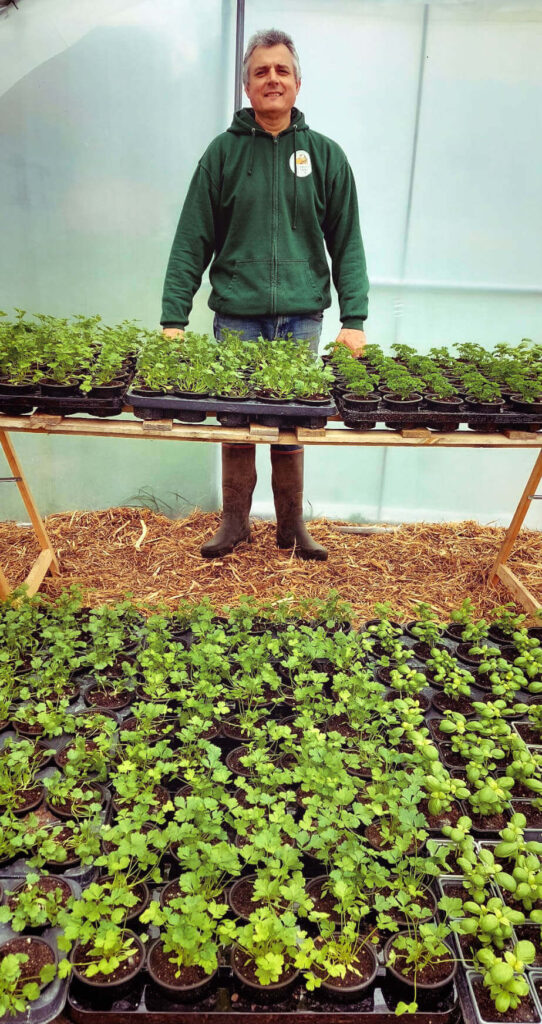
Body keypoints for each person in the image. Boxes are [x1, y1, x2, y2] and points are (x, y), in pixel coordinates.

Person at [161, 28, 369, 561]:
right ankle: (234, 523)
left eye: (282, 70)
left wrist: (355, 317)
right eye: (261, 72)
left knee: (290, 425)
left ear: (298, 83)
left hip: (301, 318)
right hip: (237, 316)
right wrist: (173, 318)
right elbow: (193, 238)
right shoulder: (222, 155)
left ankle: (291, 528)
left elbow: (346, 240)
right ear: (248, 87)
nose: (272, 79)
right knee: (235, 424)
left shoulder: (324, 155)